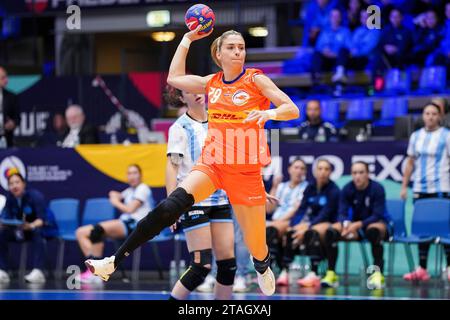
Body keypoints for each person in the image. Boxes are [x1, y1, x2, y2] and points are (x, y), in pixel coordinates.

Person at [85, 25, 299, 297]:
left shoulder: (255, 80)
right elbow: (174, 77)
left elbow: (292, 109)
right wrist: (186, 38)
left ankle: (262, 264)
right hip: (213, 165)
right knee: (168, 207)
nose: (238, 52)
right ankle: (112, 262)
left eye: (242, 47)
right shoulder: (212, 83)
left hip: (245, 172)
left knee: (256, 243)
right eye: (231, 48)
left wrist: (268, 115)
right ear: (218, 54)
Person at [164, 85, 235, 300]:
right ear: (181, 97)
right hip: (193, 201)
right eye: (190, 90)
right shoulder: (180, 127)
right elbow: (172, 167)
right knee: (201, 266)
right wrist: (171, 206)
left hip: (220, 199)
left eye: (199, 88)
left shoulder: (219, 121)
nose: (197, 92)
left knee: (227, 264)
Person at [75, 164, 152, 284]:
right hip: (124, 223)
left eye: (134, 173)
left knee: (98, 230)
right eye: (129, 173)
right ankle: (94, 268)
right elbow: (117, 194)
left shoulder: (143, 188)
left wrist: (115, 201)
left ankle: (96, 272)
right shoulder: (130, 190)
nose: (132, 176)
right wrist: (115, 195)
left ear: (140, 175)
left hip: (136, 226)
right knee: (81, 232)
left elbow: (129, 209)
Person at [401, 102, 450, 282]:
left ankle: (449, 267)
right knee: (422, 229)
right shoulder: (416, 136)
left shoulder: (446, 136)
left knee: (445, 230)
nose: (430, 117)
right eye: (427, 113)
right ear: (423, 116)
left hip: (441, 188)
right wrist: (404, 186)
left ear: (440, 117)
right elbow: (411, 162)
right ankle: (422, 268)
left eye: (434, 114)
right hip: (420, 189)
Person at [323, 161, 391, 289]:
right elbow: (342, 212)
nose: (357, 176)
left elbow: (378, 214)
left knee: (374, 231)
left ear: (367, 174)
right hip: (355, 226)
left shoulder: (377, 189)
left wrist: (358, 225)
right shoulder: (347, 188)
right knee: (331, 231)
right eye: (354, 173)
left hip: (378, 223)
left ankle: (377, 274)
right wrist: (346, 224)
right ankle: (331, 273)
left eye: (361, 172)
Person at [277, 159, 340, 287]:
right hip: (310, 222)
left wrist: (308, 226)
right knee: (291, 232)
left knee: (312, 232)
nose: (323, 172)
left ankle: (314, 273)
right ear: (315, 171)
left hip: (327, 223)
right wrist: (293, 225)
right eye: (320, 169)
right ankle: (285, 271)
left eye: (326, 169)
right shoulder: (310, 188)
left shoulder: (334, 190)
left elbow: (326, 213)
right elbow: (302, 209)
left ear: (330, 172)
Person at [0, 169, 56, 284]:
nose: (14, 186)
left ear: (23, 183)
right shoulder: (10, 199)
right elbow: (6, 217)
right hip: (21, 230)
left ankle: (38, 271)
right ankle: (3, 271)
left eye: (17, 182)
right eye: (11, 184)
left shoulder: (35, 196)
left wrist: (31, 225)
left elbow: (42, 219)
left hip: (42, 229)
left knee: (37, 232)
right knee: (2, 235)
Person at [266, 158, 308, 278]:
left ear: (305, 172)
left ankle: (271, 270)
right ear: (289, 169)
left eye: (302, 168)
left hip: (291, 222)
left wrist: (276, 223)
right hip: (275, 221)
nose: (299, 171)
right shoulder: (281, 187)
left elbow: (296, 210)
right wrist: (274, 186)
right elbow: (269, 209)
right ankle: (271, 269)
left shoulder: (306, 188)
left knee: (271, 229)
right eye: (296, 167)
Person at [332, 9, 381, 84]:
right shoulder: (357, 31)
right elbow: (351, 45)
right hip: (355, 58)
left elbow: (368, 49)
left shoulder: (375, 32)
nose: (364, 19)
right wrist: (352, 50)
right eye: (362, 17)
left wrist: (356, 51)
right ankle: (340, 73)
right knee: (343, 50)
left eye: (366, 17)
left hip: (366, 60)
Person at [311, 9, 352, 84]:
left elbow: (349, 47)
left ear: (340, 18)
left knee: (343, 50)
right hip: (327, 59)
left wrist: (335, 53)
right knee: (316, 53)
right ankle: (317, 75)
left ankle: (340, 73)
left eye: (337, 16)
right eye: (333, 16)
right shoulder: (325, 32)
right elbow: (318, 46)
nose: (335, 19)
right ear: (330, 18)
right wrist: (324, 51)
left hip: (339, 59)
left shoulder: (345, 31)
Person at [0, 67, 20, 148]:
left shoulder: (11, 97)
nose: (6, 80)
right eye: (2, 78)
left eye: (6, 77)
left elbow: (17, 118)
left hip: (6, 140)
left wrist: (13, 123)